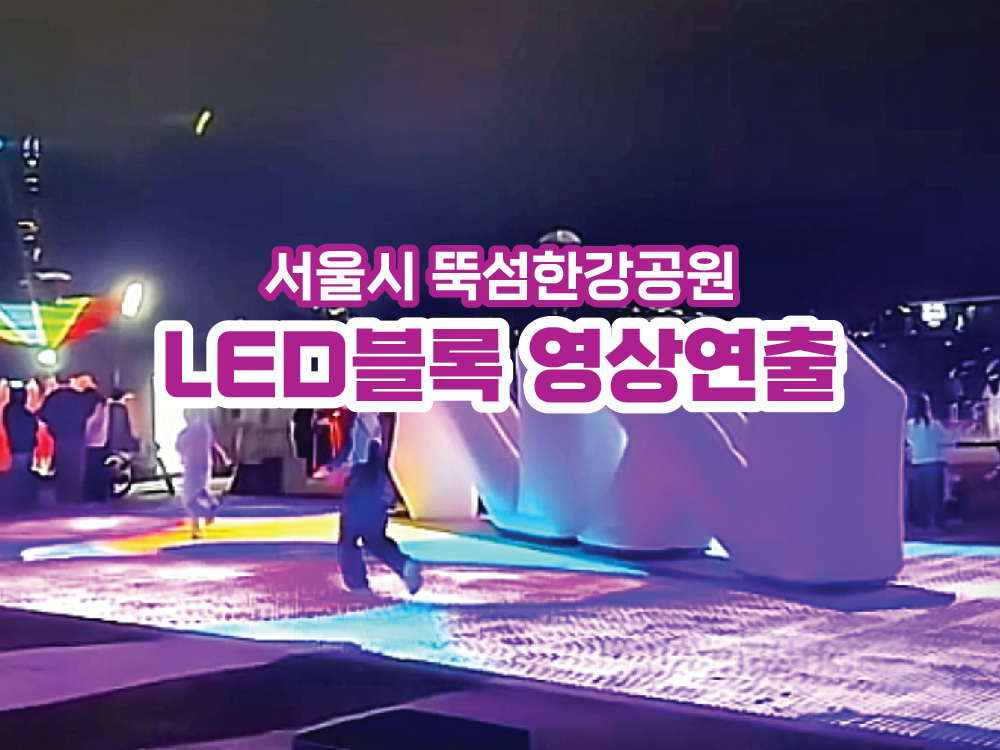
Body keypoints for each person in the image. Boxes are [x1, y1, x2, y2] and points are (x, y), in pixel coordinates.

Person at [336, 411, 421, 595]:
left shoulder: (369, 413)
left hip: (365, 475)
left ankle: (357, 584)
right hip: (371, 474)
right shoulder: (372, 414)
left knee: (349, 535)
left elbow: (369, 443)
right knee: (373, 536)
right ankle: (403, 564)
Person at [38, 377, 103, 504]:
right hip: (77, 436)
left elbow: (42, 415)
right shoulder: (78, 398)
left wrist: (54, 429)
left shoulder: (53, 398)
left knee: (62, 467)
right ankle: (73, 497)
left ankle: (62, 497)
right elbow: (95, 399)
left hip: (60, 438)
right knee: (76, 470)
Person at [905, 393, 951, 531]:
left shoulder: (909, 426)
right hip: (935, 462)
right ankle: (938, 523)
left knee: (920, 496)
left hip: (918, 463)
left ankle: (921, 523)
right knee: (936, 496)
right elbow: (947, 439)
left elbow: (907, 441)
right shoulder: (935, 425)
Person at [176, 409, 220, 539]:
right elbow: (213, 444)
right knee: (201, 491)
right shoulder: (204, 428)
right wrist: (223, 457)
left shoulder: (187, 432)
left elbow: (179, 447)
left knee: (190, 499)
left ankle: (204, 516)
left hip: (192, 466)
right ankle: (207, 511)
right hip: (204, 464)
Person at [2, 381, 39, 511]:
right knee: (23, 472)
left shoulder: (9, 411)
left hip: (17, 445)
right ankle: (24, 499)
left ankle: (20, 498)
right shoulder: (22, 412)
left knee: (19, 471)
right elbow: (32, 426)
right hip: (24, 445)